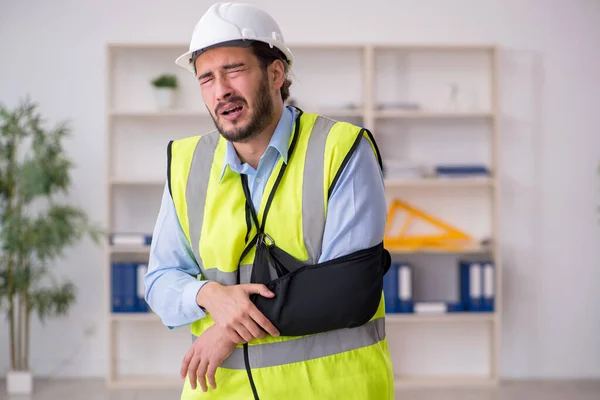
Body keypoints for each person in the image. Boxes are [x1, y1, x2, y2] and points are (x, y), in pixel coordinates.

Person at [144, 2, 395, 399]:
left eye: (234, 70)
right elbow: (160, 281)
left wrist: (228, 330)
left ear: (276, 73)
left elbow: (349, 290)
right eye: (206, 78)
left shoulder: (341, 149)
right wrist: (207, 295)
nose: (220, 89)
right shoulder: (187, 164)